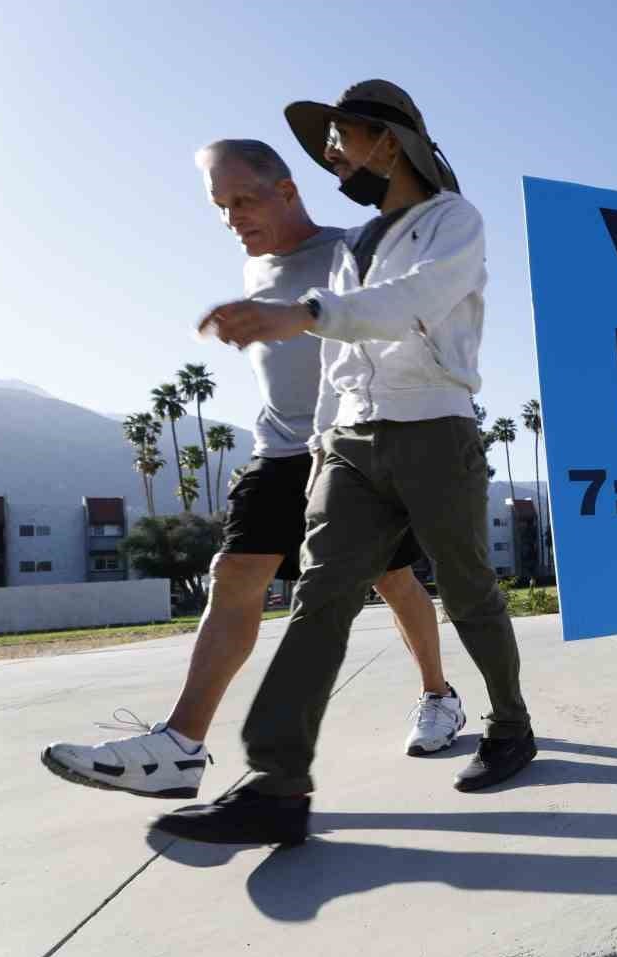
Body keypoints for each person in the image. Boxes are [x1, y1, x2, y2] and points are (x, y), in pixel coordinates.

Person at [155, 79, 534, 846]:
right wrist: (326, 439)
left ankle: (510, 722)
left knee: (467, 591)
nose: (334, 159)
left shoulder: (453, 222)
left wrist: (300, 314)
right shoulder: (351, 247)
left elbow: (409, 303)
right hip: (352, 445)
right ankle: (277, 786)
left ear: (389, 143)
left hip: (435, 429)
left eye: (342, 141)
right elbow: (338, 361)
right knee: (319, 598)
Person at [39, 138, 467, 803]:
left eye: (243, 199)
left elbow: (402, 321)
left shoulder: (353, 250)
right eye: (220, 206)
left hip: (355, 448)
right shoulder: (252, 269)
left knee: (393, 576)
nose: (233, 217)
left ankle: (439, 696)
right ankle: (179, 746)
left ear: (287, 190)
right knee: (234, 573)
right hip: (279, 450)